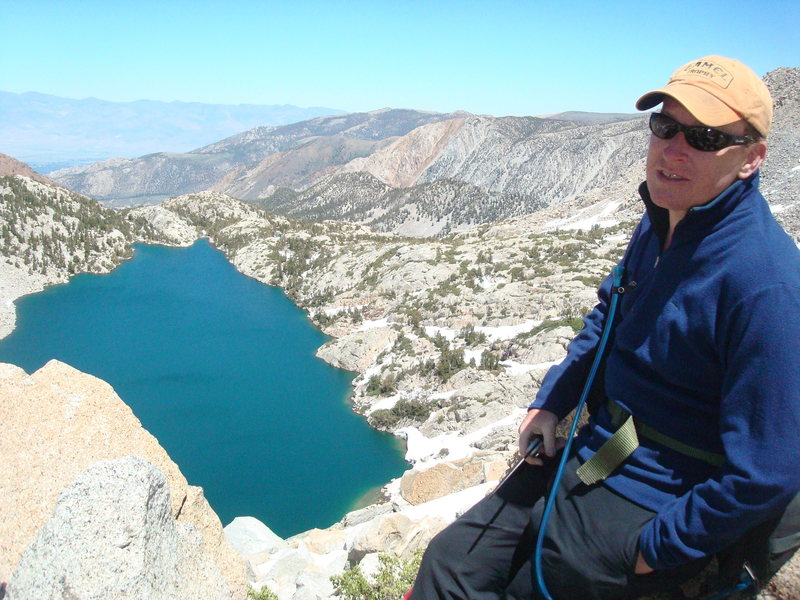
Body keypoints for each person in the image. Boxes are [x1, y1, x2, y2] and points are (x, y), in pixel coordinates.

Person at [408, 55, 800, 600]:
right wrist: (552, 402)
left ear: (751, 159)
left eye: (705, 138)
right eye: (665, 126)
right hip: (604, 449)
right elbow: (609, 315)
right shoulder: (664, 220)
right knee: (450, 562)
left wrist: (652, 551)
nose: (673, 148)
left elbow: (771, 468)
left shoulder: (766, 283)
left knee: (529, 586)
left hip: (656, 493)